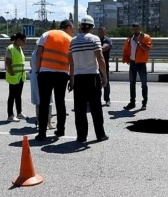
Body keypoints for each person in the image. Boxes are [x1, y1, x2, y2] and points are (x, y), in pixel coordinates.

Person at [68, 15, 109, 143]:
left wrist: (72, 79)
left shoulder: (73, 41)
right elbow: (100, 58)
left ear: (81, 27)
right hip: (92, 77)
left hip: (78, 77)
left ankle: (81, 136)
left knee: (79, 109)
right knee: (96, 107)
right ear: (92, 27)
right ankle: (100, 134)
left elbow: (71, 62)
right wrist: (104, 76)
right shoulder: (94, 39)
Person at [35, 19, 74, 141]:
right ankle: (60, 130)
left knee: (44, 103)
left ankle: (42, 133)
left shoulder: (47, 34)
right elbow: (72, 62)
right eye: (71, 29)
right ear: (67, 27)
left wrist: (38, 70)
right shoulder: (70, 40)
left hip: (45, 72)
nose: (72, 32)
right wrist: (72, 79)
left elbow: (38, 53)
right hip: (62, 75)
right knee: (60, 102)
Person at [122, 22, 152, 110]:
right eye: (134, 29)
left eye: (137, 29)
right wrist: (127, 59)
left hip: (141, 63)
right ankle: (132, 102)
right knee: (132, 83)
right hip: (132, 63)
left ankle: (144, 103)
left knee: (143, 84)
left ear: (140, 28)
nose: (135, 31)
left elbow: (148, 49)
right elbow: (126, 49)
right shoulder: (130, 38)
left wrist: (138, 43)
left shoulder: (146, 37)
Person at [30, 40, 54, 129]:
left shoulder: (34, 53)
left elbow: (31, 65)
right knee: (48, 101)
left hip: (35, 77)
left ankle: (40, 121)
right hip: (43, 77)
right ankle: (48, 122)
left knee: (38, 101)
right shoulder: (43, 53)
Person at [5, 33, 28, 122]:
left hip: (20, 76)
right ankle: (10, 115)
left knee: (18, 96)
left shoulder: (19, 48)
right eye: (24, 40)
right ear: (18, 40)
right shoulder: (11, 48)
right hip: (14, 76)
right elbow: (7, 63)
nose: (25, 42)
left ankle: (19, 113)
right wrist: (12, 73)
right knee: (12, 96)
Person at [97, 26, 112, 107]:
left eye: (102, 31)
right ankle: (96, 100)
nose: (101, 32)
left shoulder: (107, 40)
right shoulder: (96, 40)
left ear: (104, 31)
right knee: (96, 83)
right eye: (99, 31)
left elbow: (104, 48)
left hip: (104, 64)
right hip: (96, 65)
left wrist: (95, 49)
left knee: (106, 82)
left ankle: (107, 99)